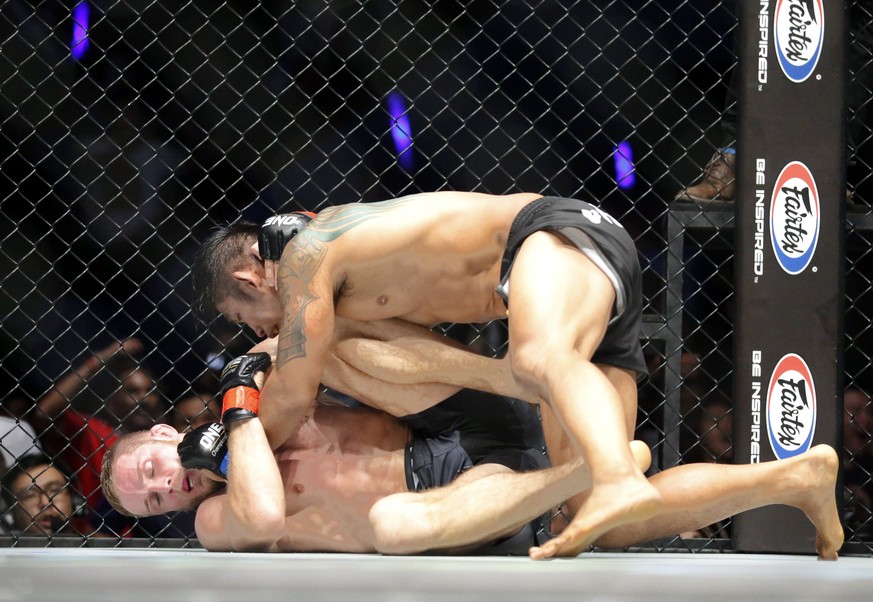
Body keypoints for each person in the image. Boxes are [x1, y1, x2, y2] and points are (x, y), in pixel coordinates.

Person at [192, 192, 661, 558]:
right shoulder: (334, 264)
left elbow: (293, 395)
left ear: (248, 279)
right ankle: (729, 482)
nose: (255, 331)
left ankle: (615, 472)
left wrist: (233, 450)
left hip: (550, 241)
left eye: (241, 319)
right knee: (615, 524)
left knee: (537, 359)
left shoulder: (304, 260)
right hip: (569, 267)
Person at [99, 353, 844, 557]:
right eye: (153, 501)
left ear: (163, 437)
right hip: (461, 500)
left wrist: (249, 381)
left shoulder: (259, 399)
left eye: (151, 472)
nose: (165, 487)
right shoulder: (216, 519)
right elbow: (263, 513)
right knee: (394, 529)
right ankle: (791, 475)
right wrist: (235, 419)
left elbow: (288, 349)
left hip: (455, 420)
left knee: (350, 354)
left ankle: (523, 366)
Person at [1, 454, 97, 536]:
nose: (45, 502)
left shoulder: (98, 551)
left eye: (54, 490)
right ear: (11, 512)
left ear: (74, 500)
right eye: (30, 495)